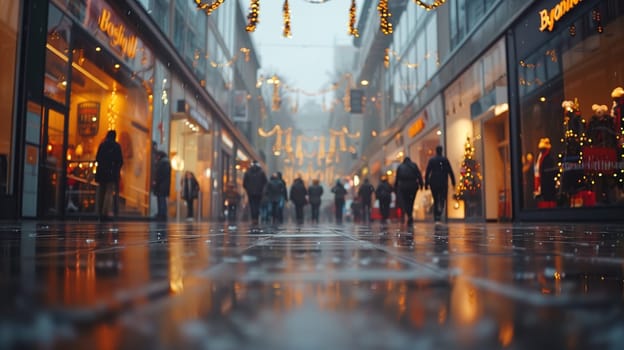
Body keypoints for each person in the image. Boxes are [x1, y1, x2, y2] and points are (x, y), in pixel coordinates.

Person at [95, 130, 123, 221]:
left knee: (101, 192)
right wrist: (116, 170)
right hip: (111, 173)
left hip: (102, 172)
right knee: (109, 192)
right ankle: (105, 212)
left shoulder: (102, 145)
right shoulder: (116, 146)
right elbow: (120, 161)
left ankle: (99, 212)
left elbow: (98, 158)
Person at [425, 145, 456, 222]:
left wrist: (426, 183)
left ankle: (436, 217)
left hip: (434, 182)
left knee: (435, 199)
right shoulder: (445, 160)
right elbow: (450, 171)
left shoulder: (432, 160)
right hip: (443, 182)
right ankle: (440, 211)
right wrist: (453, 182)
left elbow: (428, 172)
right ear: (441, 151)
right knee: (442, 198)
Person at [395, 156, 424, 225]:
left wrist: (396, 187)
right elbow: (419, 175)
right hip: (413, 185)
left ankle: (409, 214)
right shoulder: (414, 165)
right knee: (411, 201)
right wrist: (421, 184)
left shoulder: (400, 167)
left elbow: (397, 178)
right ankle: (410, 214)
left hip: (403, 186)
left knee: (405, 201)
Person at [243, 160, 268, 225]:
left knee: (252, 205)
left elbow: (244, 183)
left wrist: (248, 189)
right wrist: (262, 189)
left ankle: (253, 218)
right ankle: (256, 218)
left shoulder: (248, 172)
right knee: (257, 205)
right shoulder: (261, 172)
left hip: (250, 192)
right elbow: (265, 182)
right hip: (259, 192)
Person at [152, 151, 171, 221]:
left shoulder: (163, 163)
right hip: (162, 185)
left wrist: (156, 181)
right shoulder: (164, 162)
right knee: (161, 200)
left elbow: (161, 174)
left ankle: (162, 214)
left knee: (161, 200)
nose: (156, 157)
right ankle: (161, 214)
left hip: (161, 185)